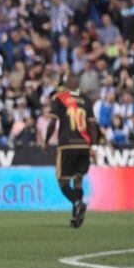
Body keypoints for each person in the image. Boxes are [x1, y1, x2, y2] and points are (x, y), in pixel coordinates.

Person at [43, 74, 97, 228]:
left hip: (67, 145)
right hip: (83, 147)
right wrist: (92, 146)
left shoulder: (60, 98)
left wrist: (46, 141)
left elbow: (53, 122)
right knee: (78, 180)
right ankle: (76, 218)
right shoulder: (86, 100)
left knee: (62, 181)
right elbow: (92, 125)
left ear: (66, 85)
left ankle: (77, 202)